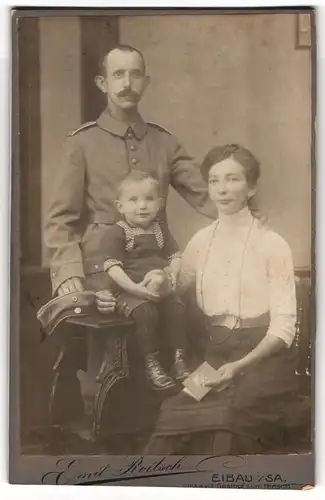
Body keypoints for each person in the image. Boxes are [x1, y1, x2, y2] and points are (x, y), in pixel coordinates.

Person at [145, 144, 298, 456]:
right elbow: (176, 289)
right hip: (215, 357)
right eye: (214, 180)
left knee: (229, 419)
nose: (222, 189)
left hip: (262, 360)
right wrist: (158, 280)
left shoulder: (272, 243)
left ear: (251, 187)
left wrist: (239, 366)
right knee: (176, 415)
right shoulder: (200, 241)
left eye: (233, 179)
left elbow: (284, 329)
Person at [44, 44, 215, 309]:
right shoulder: (81, 143)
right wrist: (68, 271)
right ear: (102, 83)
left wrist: (248, 213)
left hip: (154, 268)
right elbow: (60, 218)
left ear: (145, 83)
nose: (127, 84)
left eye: (135, 75)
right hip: (99, 271)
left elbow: (205, 194)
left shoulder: (164, 142)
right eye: (118, 74)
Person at [102, 171, 190, 390]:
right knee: (146, 313)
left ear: (159, 204)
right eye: (133, 200)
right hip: (129, 292)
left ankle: (179, 359)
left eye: (149, 199)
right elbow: (113, 268)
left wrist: (172, 274)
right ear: (120, 206)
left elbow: (175, 256)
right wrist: (135, 289)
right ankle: (151, 363)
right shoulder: (117, 233)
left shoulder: (160, 230)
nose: (142, 206)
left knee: (177, 309)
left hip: (159, 288)